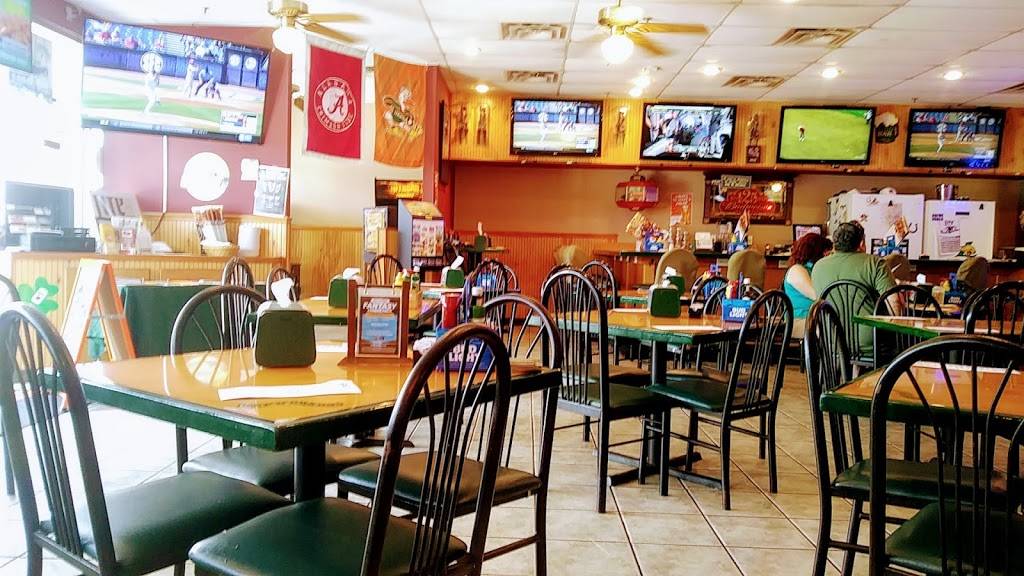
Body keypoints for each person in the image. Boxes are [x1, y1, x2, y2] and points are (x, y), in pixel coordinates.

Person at [812, 221, 897, 360]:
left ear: (834, 243)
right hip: (870, 342)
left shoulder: (818, 267)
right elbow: (894, 303)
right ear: (861, 242)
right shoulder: (875, 263)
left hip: (830, 340)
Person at [784, 233, 832, 338]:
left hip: (815, 319)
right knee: (831, 329)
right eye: (826, 253)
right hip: (799, 321)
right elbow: (817, 295)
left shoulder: (813, 270)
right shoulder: (797, 270)